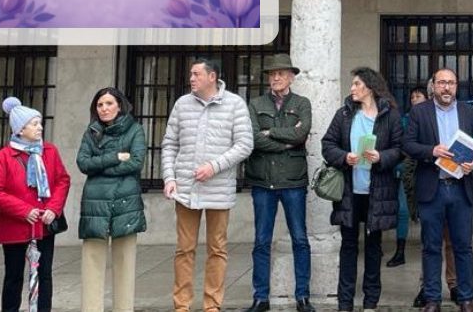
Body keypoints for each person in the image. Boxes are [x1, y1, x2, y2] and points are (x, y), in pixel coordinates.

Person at [162, 58, 254, 312]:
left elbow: (245, 145)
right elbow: (170, 144)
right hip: (185, 190)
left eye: (196, 74)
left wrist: (214, 166)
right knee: (184, 249)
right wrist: (170, 178)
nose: (191, 78)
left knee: (217, 249)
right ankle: (181, 306)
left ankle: (212, 306)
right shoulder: (182, 104)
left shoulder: (235, 104)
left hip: (218, 190)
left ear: (212, 77)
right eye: (190, 74)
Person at [322, 67, 404, 312]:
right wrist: (343, 156)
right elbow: (327, 144)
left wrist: (381, 156)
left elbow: (400, 149)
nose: (352, 88)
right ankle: (344, 302)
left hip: (377, 192)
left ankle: (370, 302)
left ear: (369, 86)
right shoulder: (345, 114)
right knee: (348, 246)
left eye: (357, 84)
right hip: (349, 192)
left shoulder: (390, 115)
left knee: (373, 247)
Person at [403, 67, 473, 312]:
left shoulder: (468, 112)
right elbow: (407, 144)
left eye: (451, 83)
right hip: (432, 187)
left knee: (463, 247)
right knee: (430, 247)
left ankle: (467, 298)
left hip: (460, 188)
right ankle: (432, 299)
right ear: (434, 86)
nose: (446, 87)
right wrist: (431, 151)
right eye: (441, 83)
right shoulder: (419, 112)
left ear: (456, 86)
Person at [0, 97, 71, 312]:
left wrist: (53, 208)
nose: (40, 127)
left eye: (40, 122)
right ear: (20, 129)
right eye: (34, 124)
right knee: (13, 277)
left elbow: (62, 180)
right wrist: (24, 211)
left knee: (45, 275)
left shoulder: (49, 151)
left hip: (44, 225)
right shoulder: (3, 157)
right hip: (15, 227)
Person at [245, 54, 314, 312]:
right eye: (272, 74)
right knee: (261, 240)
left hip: (293, 181)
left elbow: (302, 132)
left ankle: (303, 296)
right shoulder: (255, 103)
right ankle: (260, 298)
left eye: (281, 73)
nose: (275, 77)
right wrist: (286, 141)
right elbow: (252, 138)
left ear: (291, 77)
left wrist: (271, 132)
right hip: (263, 182)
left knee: (300, 239)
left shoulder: (302, 103)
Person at [77, 88, 147, 312]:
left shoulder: (135, 130)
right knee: (92, 265)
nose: (104, 109)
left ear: (120, 105)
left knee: (125, 264)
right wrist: (115, 157)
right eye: (100, 105)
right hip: (94, 204)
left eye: (109, 103)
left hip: (125, 203)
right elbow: (83, 163)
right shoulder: (91, 131)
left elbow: (136, 163)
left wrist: (100, 166)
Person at [388, 86, 428, 269]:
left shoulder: (431, 119)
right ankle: (400, 251)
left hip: (426, 169)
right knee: (402, 210)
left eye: (418, 96)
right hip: (404, 169)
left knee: (427, 211)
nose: (414, 99)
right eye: (412, 97)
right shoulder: (404, 119)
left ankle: (428, 249)